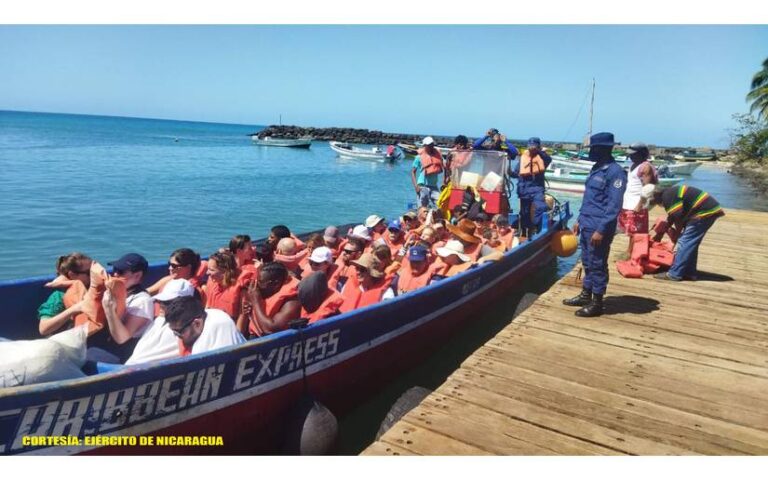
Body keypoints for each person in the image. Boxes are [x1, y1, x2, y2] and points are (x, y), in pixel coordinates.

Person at [563, 132, 626, 318]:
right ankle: (586, 294)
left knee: (597, 263)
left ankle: (597, 302)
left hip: (599, 226)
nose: (590, 152)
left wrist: (601, 229)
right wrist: (579, 220)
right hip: (587, 223)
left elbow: (614, 205)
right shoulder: (596, 168)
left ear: (603, 149)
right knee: (587, 261)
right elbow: (590, 199)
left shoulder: (615, 172)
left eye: (593, 149)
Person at [126, 290, 245, 364]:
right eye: (174, 332)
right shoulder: (197, 326)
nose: (177, 337)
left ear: (197, 323)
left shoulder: (220, 325)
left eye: (179, 332)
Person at [649, 185, 725, 281]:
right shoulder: (669, 193)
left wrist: (677, 236)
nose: (654, 203)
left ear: (656, 196)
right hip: (706, 211)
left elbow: (678, 219)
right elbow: (673, 216)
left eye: (652, 201)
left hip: (703, 213)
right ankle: (689, 273)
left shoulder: (667, 197)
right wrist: (663, 231)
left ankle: (674, 274)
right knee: (690, 243)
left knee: (685, 242)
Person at [91, 253, 154, 363]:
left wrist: (109, 310)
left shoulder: (142, 301)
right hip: (105, 340)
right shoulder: (116, 292)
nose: (115, 274)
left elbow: (123, 339)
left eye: (120, 272)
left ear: (137, 275)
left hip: (123, 350)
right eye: (114, 269)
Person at [38, 253, 94, 336]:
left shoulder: (93, 286)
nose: (94, 275)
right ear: (72, 275)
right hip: (66, 340)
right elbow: (43, 329)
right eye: (89, 272)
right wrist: (74, 309)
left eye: (94, 270)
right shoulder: (59, 296)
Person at [618, 143, 659, 255]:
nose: (631, 156)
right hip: (628, 203)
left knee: (635, 232)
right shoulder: (634, 165)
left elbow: (647, 188)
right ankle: (631, 252)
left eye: (634, 154)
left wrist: (640, 204)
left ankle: (629, 253)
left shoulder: (645, 167)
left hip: (637, 204)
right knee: (630, 230)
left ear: (642, 154)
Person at [244, 262, 301, 337]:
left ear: (275, 284)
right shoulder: (266, 292)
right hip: (255, 337)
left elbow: (270, 330)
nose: (256, 285)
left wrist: (256, 302)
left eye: (260, 282)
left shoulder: (292, 301)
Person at [511, 137, 552, 237]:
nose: (532, 148)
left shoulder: (543, 157)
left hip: (537, 188)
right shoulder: (524, 158)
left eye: (534, 146)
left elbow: (548, 159)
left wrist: (538, 151)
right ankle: (525, 232)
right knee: (524, 212)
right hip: (524, 189)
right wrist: (509, 172)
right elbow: (516, 173)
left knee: (541, 207)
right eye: (530, 146)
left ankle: (535, 225)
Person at [203, 251, 243, 321]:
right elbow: (207, 307)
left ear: (225, 271)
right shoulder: (213, 283)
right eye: (208, 269)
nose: (207, 273)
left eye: (211, 270)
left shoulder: (241, 290)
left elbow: (241, 316)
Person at [411, 136, 445, 208]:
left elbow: (445, 167)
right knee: (422, 208)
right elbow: (413, 172)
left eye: (432, 144)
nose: (431, 146)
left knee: (440, 205)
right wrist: (416, 186)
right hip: (422, 185)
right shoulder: (419, 157)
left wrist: (444, 181)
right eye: (429, 145)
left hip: (434, 186)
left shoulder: (437, 155)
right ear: (425, 146)